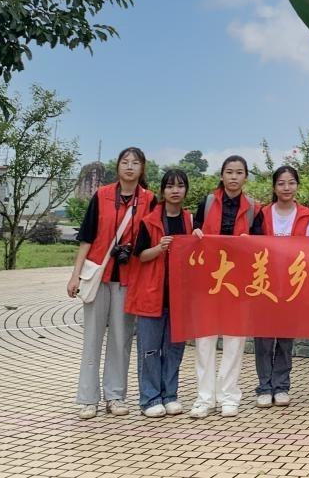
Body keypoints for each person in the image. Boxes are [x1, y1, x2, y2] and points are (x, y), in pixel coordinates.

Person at [68, 146, 155, 419]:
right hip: (99, 275)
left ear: (142, 168)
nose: (129, 166)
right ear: (117, 166)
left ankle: (115, 396)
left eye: (135, 162)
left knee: (121, 339)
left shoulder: (149, 200)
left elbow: (151, 239)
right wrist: (75, 274)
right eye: (125, 162)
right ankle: (87, 399)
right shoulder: (102, 195)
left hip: (129, 278)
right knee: (92, 338)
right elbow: (87, 237)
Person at [189, 155, 259, 418]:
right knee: (205, 340)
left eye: (239, 172)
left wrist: (249, 241)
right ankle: (204, 398)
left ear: (245, 177)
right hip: (207, 281)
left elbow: (261, 245)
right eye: (229, 172)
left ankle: (229, 395)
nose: (233, 177)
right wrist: (196, 235)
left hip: (238, 283)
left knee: (234, 341)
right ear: (221, 175)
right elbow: (193, 232)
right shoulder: (207, 203)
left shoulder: (253, 208)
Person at [127, 168, 192, 418]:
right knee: (150, 350)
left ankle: (170, 395)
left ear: (186, 190)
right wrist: (159, 248)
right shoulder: (149, 220)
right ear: (163, 191)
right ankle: (149, 398)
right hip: (152, 295)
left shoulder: (189, 220)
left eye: (180, 186)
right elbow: (140, 256)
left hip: (178, 297)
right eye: (170, 186)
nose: (175, 191)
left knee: (174, 348)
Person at [249, 165, 309, 409]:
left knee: (286, 340)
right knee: (264, 339)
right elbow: (253, 248)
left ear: (297, 185)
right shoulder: (263, 214)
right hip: (265, 285)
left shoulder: (308, 214)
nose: (286, 188)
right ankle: (264, 386)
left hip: (293, 286)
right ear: (274, 187)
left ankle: (282, 386)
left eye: (291, 183)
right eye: (281, 183)